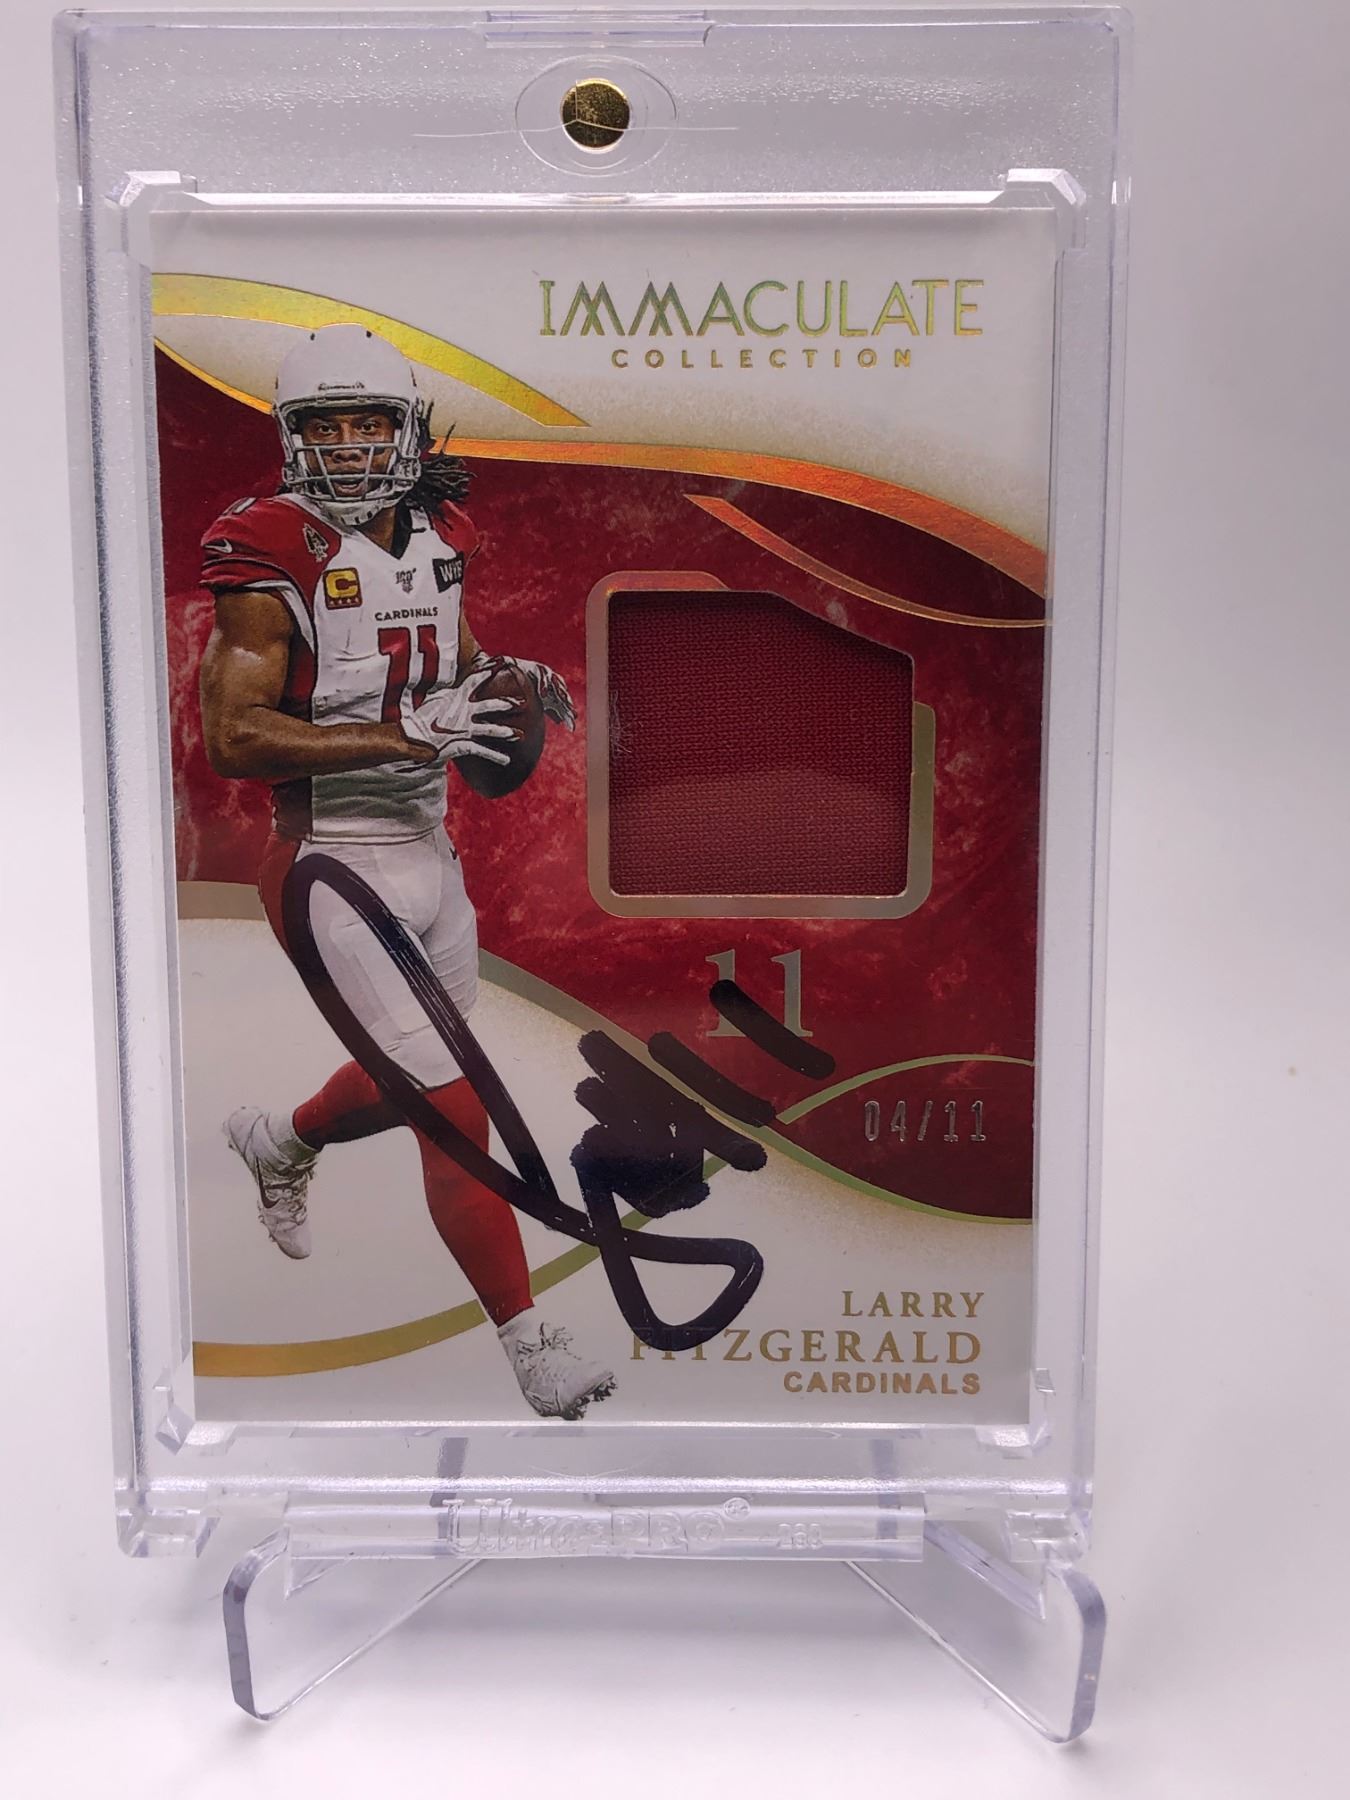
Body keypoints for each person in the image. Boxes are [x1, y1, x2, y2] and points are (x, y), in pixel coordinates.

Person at [197, 323, 615, 1420]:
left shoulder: (437, 528)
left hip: (430, 849)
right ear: (292, 436)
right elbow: (232, 736)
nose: (347, 445)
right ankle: (531, 1345)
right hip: (330, 866)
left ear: (407, 430)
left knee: (414, 1081)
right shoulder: (267, 550)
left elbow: (442, 648)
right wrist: (404, 736)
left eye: (368, 422)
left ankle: (279, 1140)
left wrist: (499, 675)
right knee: (457, 1107)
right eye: (325, 425)